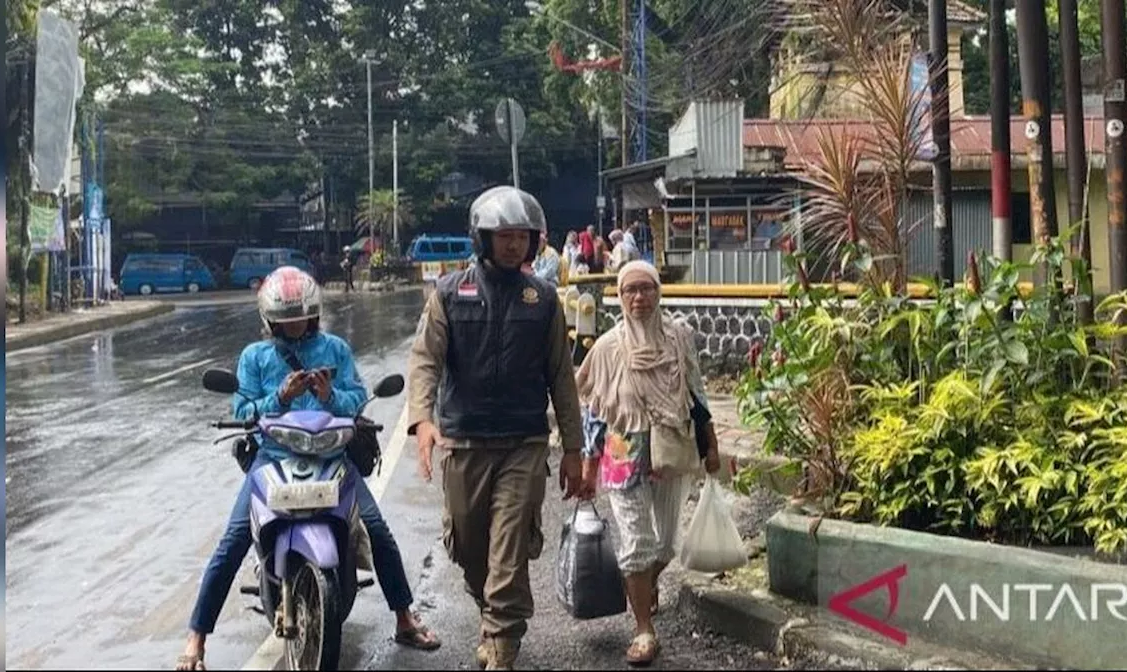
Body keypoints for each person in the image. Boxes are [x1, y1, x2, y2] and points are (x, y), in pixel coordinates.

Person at [175, 266, 439, 672]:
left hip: (332, 459)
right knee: (231, 543)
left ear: (313, 313)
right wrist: (280, 396)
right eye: (285, 318)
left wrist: (328, 393)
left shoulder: (334, 350)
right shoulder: (255, 357)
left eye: (300, 316)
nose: (295, 324)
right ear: (270, 320)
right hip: (273, 459)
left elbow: (357, 400)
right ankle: (196, 639)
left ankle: (404, 618)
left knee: (379, 532)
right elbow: (242, 410)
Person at [407, 185, 585, 671]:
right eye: (502, 236)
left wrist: (574, 449)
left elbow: (561, 377)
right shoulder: (448, 293)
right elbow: (425, 360)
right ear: (481, 239)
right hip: (464, 441)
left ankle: (502, 648)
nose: (513, 245)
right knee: (469, 550)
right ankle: (491, 617)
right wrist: (422, 419)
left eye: (522, 237)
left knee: (508, 553)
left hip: (524, 443)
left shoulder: (544, 300)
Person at [574, 260, 721, 667]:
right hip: (623, 452)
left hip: (670, 447)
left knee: (666, 544)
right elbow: (594, 410)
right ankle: (643, 628)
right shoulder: (606, 347)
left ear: (658, 292)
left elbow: (697, 393)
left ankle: (642, 583)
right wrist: (588, 464)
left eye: (646, 288)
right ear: (620, 297)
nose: (638, 297)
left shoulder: (679, 338)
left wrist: (711, 445)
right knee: (637, 542)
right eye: (629, 291)